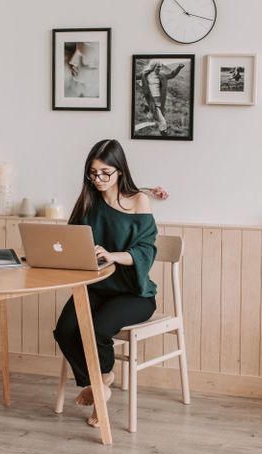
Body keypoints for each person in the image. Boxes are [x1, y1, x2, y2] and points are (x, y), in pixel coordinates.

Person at [53, 139, 158, 427]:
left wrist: (113, 255)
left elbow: (147, 250)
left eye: (104, 173)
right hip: (96, 287)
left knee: (98, 329)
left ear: (120, 171)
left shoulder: (138, 201)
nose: (98, 180)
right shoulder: (88, 200)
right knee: (64, 331)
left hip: (134, 293)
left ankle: (99, 388)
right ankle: (101, 381)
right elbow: (69, 241)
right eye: (92, 173)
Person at [141, 60, 185, 135]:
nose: (160, 68)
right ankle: (163, 132)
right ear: (153, 66)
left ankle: (152, 119)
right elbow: (133, 76)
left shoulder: (162, 75)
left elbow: (172, 75)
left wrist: (179, 67)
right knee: (162, 120)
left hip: (160, 100)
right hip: (151, 99)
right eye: (158, 66)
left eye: (161, 66)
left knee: (158, 116)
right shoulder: (145, 75)